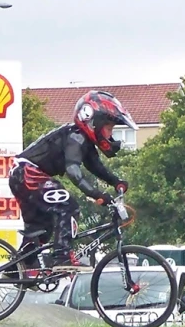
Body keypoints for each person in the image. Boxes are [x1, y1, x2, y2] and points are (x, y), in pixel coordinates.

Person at [8, 90, 137, 272]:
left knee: (41, 227)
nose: (110, 135)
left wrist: (116, 182)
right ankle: (61, 257)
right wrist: (96, 194)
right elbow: (73, 171)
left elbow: (95, 167)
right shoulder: (75, 137)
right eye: (109, 128)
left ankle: (18, 267)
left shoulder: (83, 141)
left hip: (20, 174)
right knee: (68, 205)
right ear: (93, 121)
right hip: (26, 172)